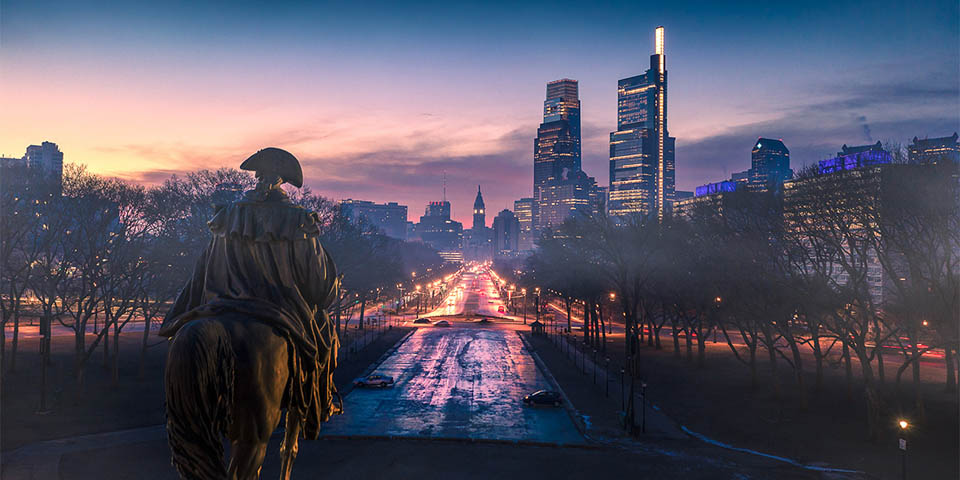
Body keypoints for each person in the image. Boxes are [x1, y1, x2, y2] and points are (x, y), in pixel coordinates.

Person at [159, 147, 340, 438]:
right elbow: (320, 290)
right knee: (323, 340)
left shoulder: (226, 216)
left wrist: (179, 314)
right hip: (279, 311)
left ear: (257, 175)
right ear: (284, 181)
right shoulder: (299, 220)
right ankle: (315, 408)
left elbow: (202, 271)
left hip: (219, 306)